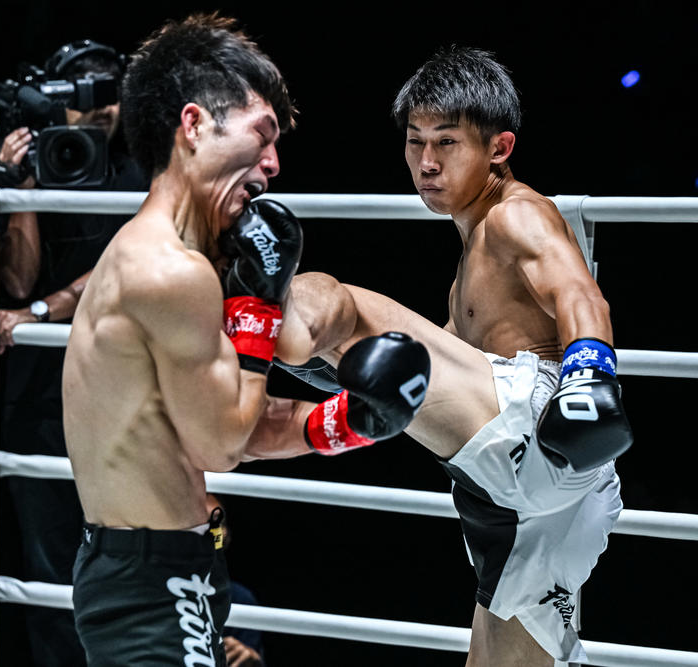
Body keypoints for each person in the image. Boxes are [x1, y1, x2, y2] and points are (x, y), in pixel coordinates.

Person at [62, 14, 431, 666]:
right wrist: (258, 305)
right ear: (195, 125)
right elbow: (220, 443)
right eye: (262, 133)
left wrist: (345, 423)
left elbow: (222, 419)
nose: (273, 163)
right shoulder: (167, 271)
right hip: (152, 585)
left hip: (168, 568)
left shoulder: (173, 259)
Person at [258, 46, 632, 665]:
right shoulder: (471, 260)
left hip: (540, 431)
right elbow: (444, 368)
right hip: (527, 498)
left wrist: (591, 372)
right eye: (415, 142)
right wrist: (335, 371)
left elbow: (578, 291)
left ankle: (246, 311)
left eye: (447, 142)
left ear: (499, 148)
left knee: (333, 301)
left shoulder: (517, 215)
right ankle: (281, 336)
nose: (426, 163)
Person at [0, 38, 149, 666]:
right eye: (82, 97)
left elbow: (125, 266)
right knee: (49, 569)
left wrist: (37, 313)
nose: (98, 109)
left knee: (129, 551)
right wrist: (22, 184)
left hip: (121, 392)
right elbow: (15, 281)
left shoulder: (145, 170)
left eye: (108, 95)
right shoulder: (41, 164)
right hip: (40, 396)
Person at [204, 494, 265, 667]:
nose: (209, 530)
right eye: (199, 523)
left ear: (226, 535)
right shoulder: (147, 589)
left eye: (216, 523)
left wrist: (250, 661)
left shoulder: (239, 599)